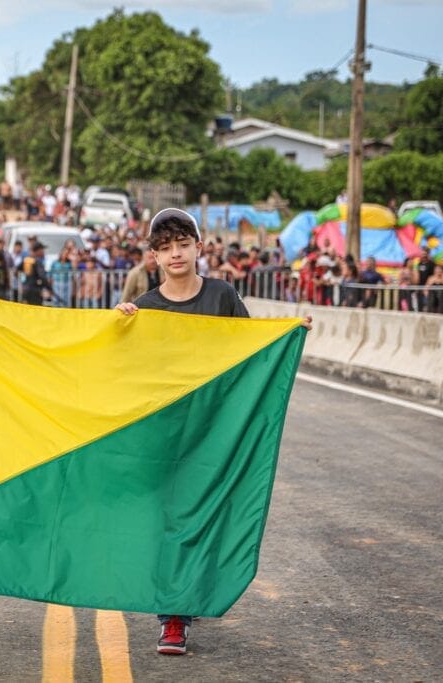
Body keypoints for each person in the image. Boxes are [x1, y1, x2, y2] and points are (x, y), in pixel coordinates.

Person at [115, 208, 309, 656]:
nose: (175, 254)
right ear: (154, 258)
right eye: (165, 248)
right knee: (167, 522)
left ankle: (186, 597)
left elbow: (251, 348)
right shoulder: (144, 308)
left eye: (183, 244)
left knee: (201, 519)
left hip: (213, 433)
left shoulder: (222, 296)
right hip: (162, 436)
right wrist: (119, 328)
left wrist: (287, 333)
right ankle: (174, 618)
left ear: (199, 247)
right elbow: (123, 372)